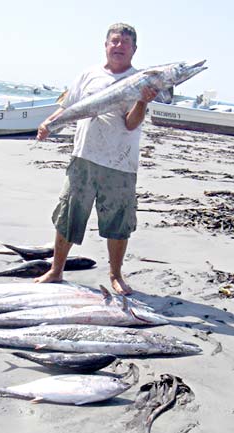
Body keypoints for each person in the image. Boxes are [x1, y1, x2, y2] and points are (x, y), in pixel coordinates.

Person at [35, 23, 158, 295]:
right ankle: (56, 270)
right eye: (115, 41)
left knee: (118, 221)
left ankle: (115, 275)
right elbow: (68, 108)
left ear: (134, 49)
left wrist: (143, 101)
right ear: (105, 45)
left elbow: (131, 124)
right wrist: (48, 123)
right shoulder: (88, 75)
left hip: (120, 164)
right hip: (84, 157)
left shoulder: (140, 81)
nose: (119, 46)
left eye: (125, 42)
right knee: (69, 213)